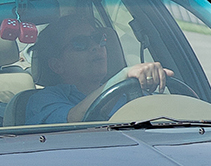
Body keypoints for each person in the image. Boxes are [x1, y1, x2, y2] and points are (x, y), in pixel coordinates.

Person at [24, 13, 173, 124]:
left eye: (98, 38)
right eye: (80, 43)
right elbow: (73, 121)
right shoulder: (42, 100)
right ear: (57, 65)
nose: (95, 47)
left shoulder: (132, 93)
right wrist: (123, 76)